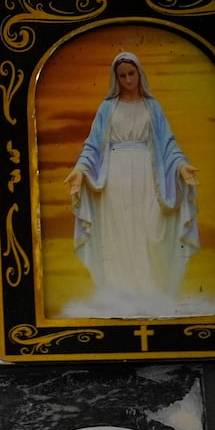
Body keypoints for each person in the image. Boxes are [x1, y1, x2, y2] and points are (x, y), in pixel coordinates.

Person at [65, 51, 200, 309]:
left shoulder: (153, 107)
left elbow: (168, 142)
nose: (128, 80)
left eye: (131, 74)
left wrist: (182, 166)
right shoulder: (107, 108)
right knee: (119, 234)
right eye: (122, 76)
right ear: (116, 78)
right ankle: (122, 297)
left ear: (139, 73)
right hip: (114, 179)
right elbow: (93, 145)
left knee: (149, 230)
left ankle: (152, 293)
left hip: (148, 176)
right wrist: (80, 169)